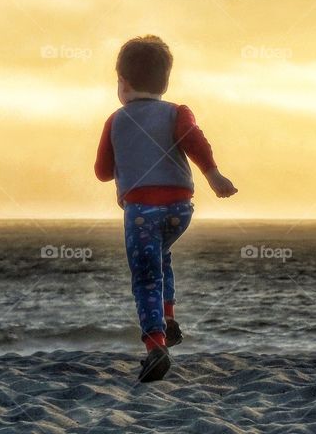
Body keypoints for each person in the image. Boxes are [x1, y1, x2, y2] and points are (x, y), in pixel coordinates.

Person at [94, 35, 238, 382]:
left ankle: (155, 346)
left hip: (142, 210)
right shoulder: (177, 112)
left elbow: (101, 172)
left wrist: (126, 157)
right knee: (162, 254)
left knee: (145, 277)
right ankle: (169, 318)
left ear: (123, 84)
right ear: (165, 81)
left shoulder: (116, 120)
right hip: (179, 208)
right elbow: (195, 141)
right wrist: (213, 175)